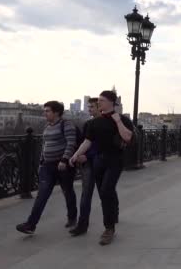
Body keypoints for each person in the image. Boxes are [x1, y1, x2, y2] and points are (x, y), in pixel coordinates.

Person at [70, 90, 134, 245]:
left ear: (112, 102)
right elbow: (88, 141)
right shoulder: (94, 123)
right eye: (98, 100)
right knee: (105, 194)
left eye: (102, 100)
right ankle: (111, 222)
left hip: (115, 161)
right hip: (99, 161)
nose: (99, 103)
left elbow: (127, 137)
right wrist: (75, 155)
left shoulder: (123, 120)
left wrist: (118, 121)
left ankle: (109, 228)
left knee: (106, 191)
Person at [16, 101, 78, 235]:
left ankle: (72, 217)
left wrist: (64, 159)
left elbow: (71, 143)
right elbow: (45, 147)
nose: (45, 113)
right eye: (44, 111)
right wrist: (41, 163)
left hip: (63, 166)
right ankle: (31, 225)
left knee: (67, 192)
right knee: (42, 195)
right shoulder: (47, 127)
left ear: (56, 112)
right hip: (47, 166)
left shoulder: (66, 125)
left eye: (47, 111)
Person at [69, 97, 101, 237]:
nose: (89, 110)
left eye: (92, 107)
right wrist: (77, 155)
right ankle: (82, 225)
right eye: (89, 107)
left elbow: (102, 146)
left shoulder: (106, 124)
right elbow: (84, 142)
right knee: (86, 194)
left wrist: (86, 156)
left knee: (105, 192)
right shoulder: (88, 124)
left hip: (100, 162)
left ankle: (112, 215)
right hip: (87, 164)